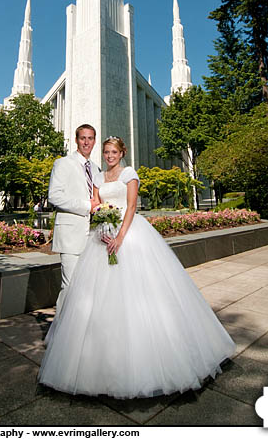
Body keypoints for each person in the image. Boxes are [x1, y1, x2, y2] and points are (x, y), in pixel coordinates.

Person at [38, 136, 236, 399]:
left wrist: (120, 236)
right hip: (102, 236)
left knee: (139, 293)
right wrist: (104, 228)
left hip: (129, 235)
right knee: (97, 297)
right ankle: (97, 356)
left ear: (122, 153)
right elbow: (96, 207)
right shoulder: (98, 177)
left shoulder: (130, 173)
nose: (109, 155)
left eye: (114, 151)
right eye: (106, 151)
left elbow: (131, 206)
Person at [47, 124, 101, 316]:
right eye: (83, 138)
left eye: (90, 138)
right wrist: (87, 206)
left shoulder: (96, 169)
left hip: (93, 237)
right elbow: (54, 196)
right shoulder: (62, 163)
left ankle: (80, 334)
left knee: (87, 288)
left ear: (95, 141)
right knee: (70, 287)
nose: (87, 142)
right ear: (76, 139)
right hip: (71, 235)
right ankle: (60, 334)